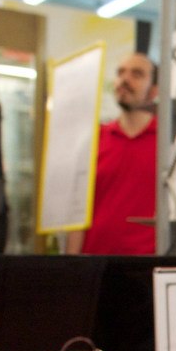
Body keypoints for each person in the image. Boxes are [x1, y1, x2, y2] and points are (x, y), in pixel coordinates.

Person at [67, 52, 159, 255]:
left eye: (136, 74)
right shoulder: (94, 140)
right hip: (95, 264)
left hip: (146, 266)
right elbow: (78, 212)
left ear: (154, 90)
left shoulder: (168, 144)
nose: (124, 79)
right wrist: (72, 268)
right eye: (120, 73)